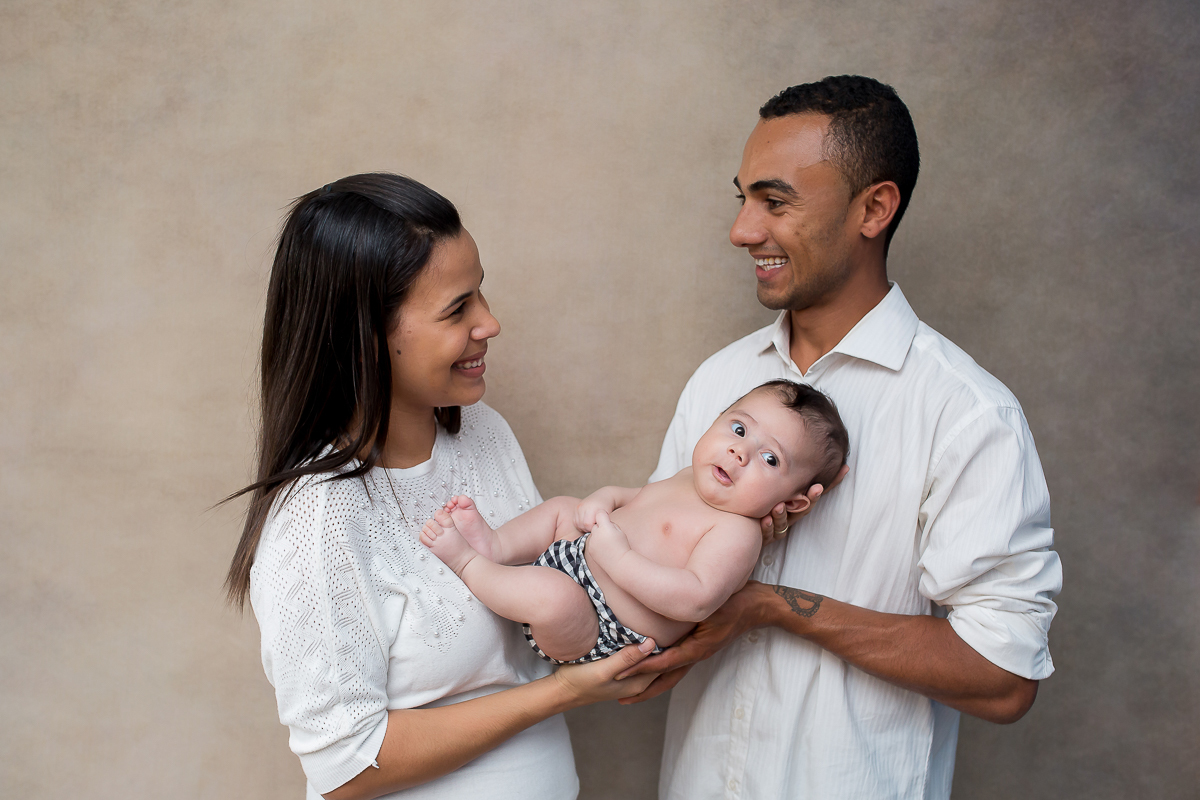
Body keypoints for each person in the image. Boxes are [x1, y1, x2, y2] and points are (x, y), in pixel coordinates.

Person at [617, 76, 1063, 799]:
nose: (743, 231)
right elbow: (656, 566)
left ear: (874, 208)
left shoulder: (966, 412)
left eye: (776, 201)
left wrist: (768, 607)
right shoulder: (718, 381)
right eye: (743, 199)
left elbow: (1005, 677)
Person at [223, 173, 661, 800]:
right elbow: (346, 769)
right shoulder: (318, 515)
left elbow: (549, 603)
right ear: (366, 336)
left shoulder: (482, 435)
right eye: (458, 309)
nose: (490, 323)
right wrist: (560, 694)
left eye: (480, 294)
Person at [419, 380, 849, 665]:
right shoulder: (690, 477)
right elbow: (638, 499)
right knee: (563, 507)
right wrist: (605, 498)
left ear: (792, 502)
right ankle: (496, 546)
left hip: (597, 623)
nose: (740, 452)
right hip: (579, 558)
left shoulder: (738, 534)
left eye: (770, 459)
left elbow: (695, 600)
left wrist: (618, 558)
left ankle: (469, 565)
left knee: (553, 598)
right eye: (738, 429)